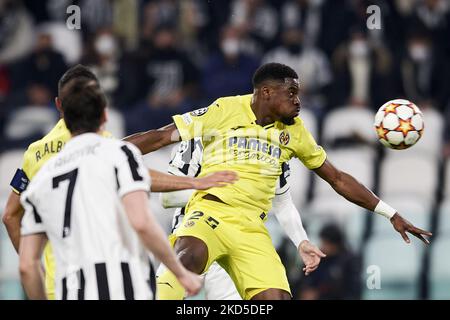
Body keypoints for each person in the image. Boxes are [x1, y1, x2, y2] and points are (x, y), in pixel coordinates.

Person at [121, 63, 432, 300]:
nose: (299, 101)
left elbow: (336, 178)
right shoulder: (224, 109)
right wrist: (107, 151)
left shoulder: (295, 132)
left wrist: (390, 214)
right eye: (292, 93)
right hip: (210, 214)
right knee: (187, 258)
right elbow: (161, 136)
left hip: (252, 229)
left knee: (276, 298)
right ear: (267, 93)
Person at [2, 64, 236, 299]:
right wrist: (193, 183)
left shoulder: (40, 162)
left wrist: (42, 285)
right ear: (103, 111)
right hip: (116, 284)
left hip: (61, 286)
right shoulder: (109, 148)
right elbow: (141, 213)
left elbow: (12, 221)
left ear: (58, 105)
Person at [156, 138, 325, 299]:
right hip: (193, 240)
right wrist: (222, 192)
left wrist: (301, 241)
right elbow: (168, 197)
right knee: (163, 291)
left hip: (235, 249)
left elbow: (282, 201)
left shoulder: (269, 146)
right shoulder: (199, 138)